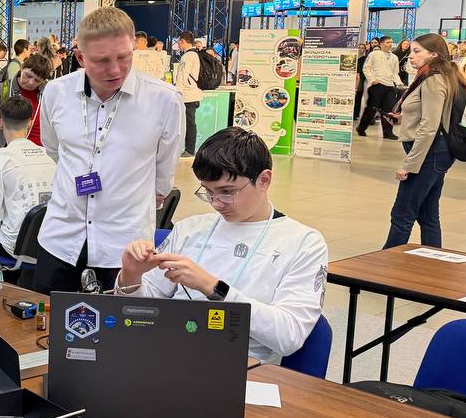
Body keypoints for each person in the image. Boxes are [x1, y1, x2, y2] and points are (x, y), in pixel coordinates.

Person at [116, 128, 327, 364]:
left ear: (264, 180)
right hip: (165, 354)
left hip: (241, 365)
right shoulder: (190, 229)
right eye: (208, 192)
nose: (216, 203)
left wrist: (213, 287)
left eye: (227, 192)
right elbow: (139, 314)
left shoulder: (303, 242)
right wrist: (131, 276)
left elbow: (289, 336)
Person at [36, 7, 184, 294]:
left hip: (124, 246)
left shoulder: (164, 100)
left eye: (123, 57)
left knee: (119, 321)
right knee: (46, 319)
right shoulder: (56, 92)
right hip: (61, 239)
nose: (115, 70)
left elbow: (163, 176)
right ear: (80, 58)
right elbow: (53, 149)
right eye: (102, 60)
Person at [383, 33, 466, 249]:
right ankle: (433, 260)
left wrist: (409, 164)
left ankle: (385, 262)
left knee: (402, 214)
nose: (411, 56)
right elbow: (432, 115)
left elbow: (430, 127)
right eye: (411, 51)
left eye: (417, 51)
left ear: (434, 54)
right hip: (436, 152)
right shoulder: (437, 75)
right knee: (428, 214)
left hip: (429, 154)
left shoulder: (433, 79)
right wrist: (404, 117)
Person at [0, 95, 55, 259]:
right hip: (47, 243)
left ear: (0, 122)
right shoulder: (47, 156)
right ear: (30, 123)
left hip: (14, 245)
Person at [0, 52, 51, 146]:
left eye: (37, 80)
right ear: (22, 68)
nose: (31, 82)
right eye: (28, 76)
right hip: (10, 148)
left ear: (43, 81)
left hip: (41, 150)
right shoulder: (3, 90)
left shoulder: (48, 93)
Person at [356, 36, 401, 139]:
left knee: (388, 111)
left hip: (390, 86)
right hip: (377, 86)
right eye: (388, 42)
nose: (390, 44)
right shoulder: (374, 54)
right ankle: (361, 128)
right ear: (381, 44)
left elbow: (395, 73)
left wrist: (399, 83)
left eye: (391, 42)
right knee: (371, 109)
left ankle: (387, 132)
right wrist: (372, 80)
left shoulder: (394, 57)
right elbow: (366, 68)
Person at [174, 31, 202, 157]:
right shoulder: (195, 54)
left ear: (183, 41)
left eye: (179, 42)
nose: (178, 45)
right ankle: (189, 149)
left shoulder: (188, 56)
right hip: (191, 94)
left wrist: (178, 92)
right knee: (189, 122)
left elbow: (183, 77)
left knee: (189, 123)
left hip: (188, 95)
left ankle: (190, 150)